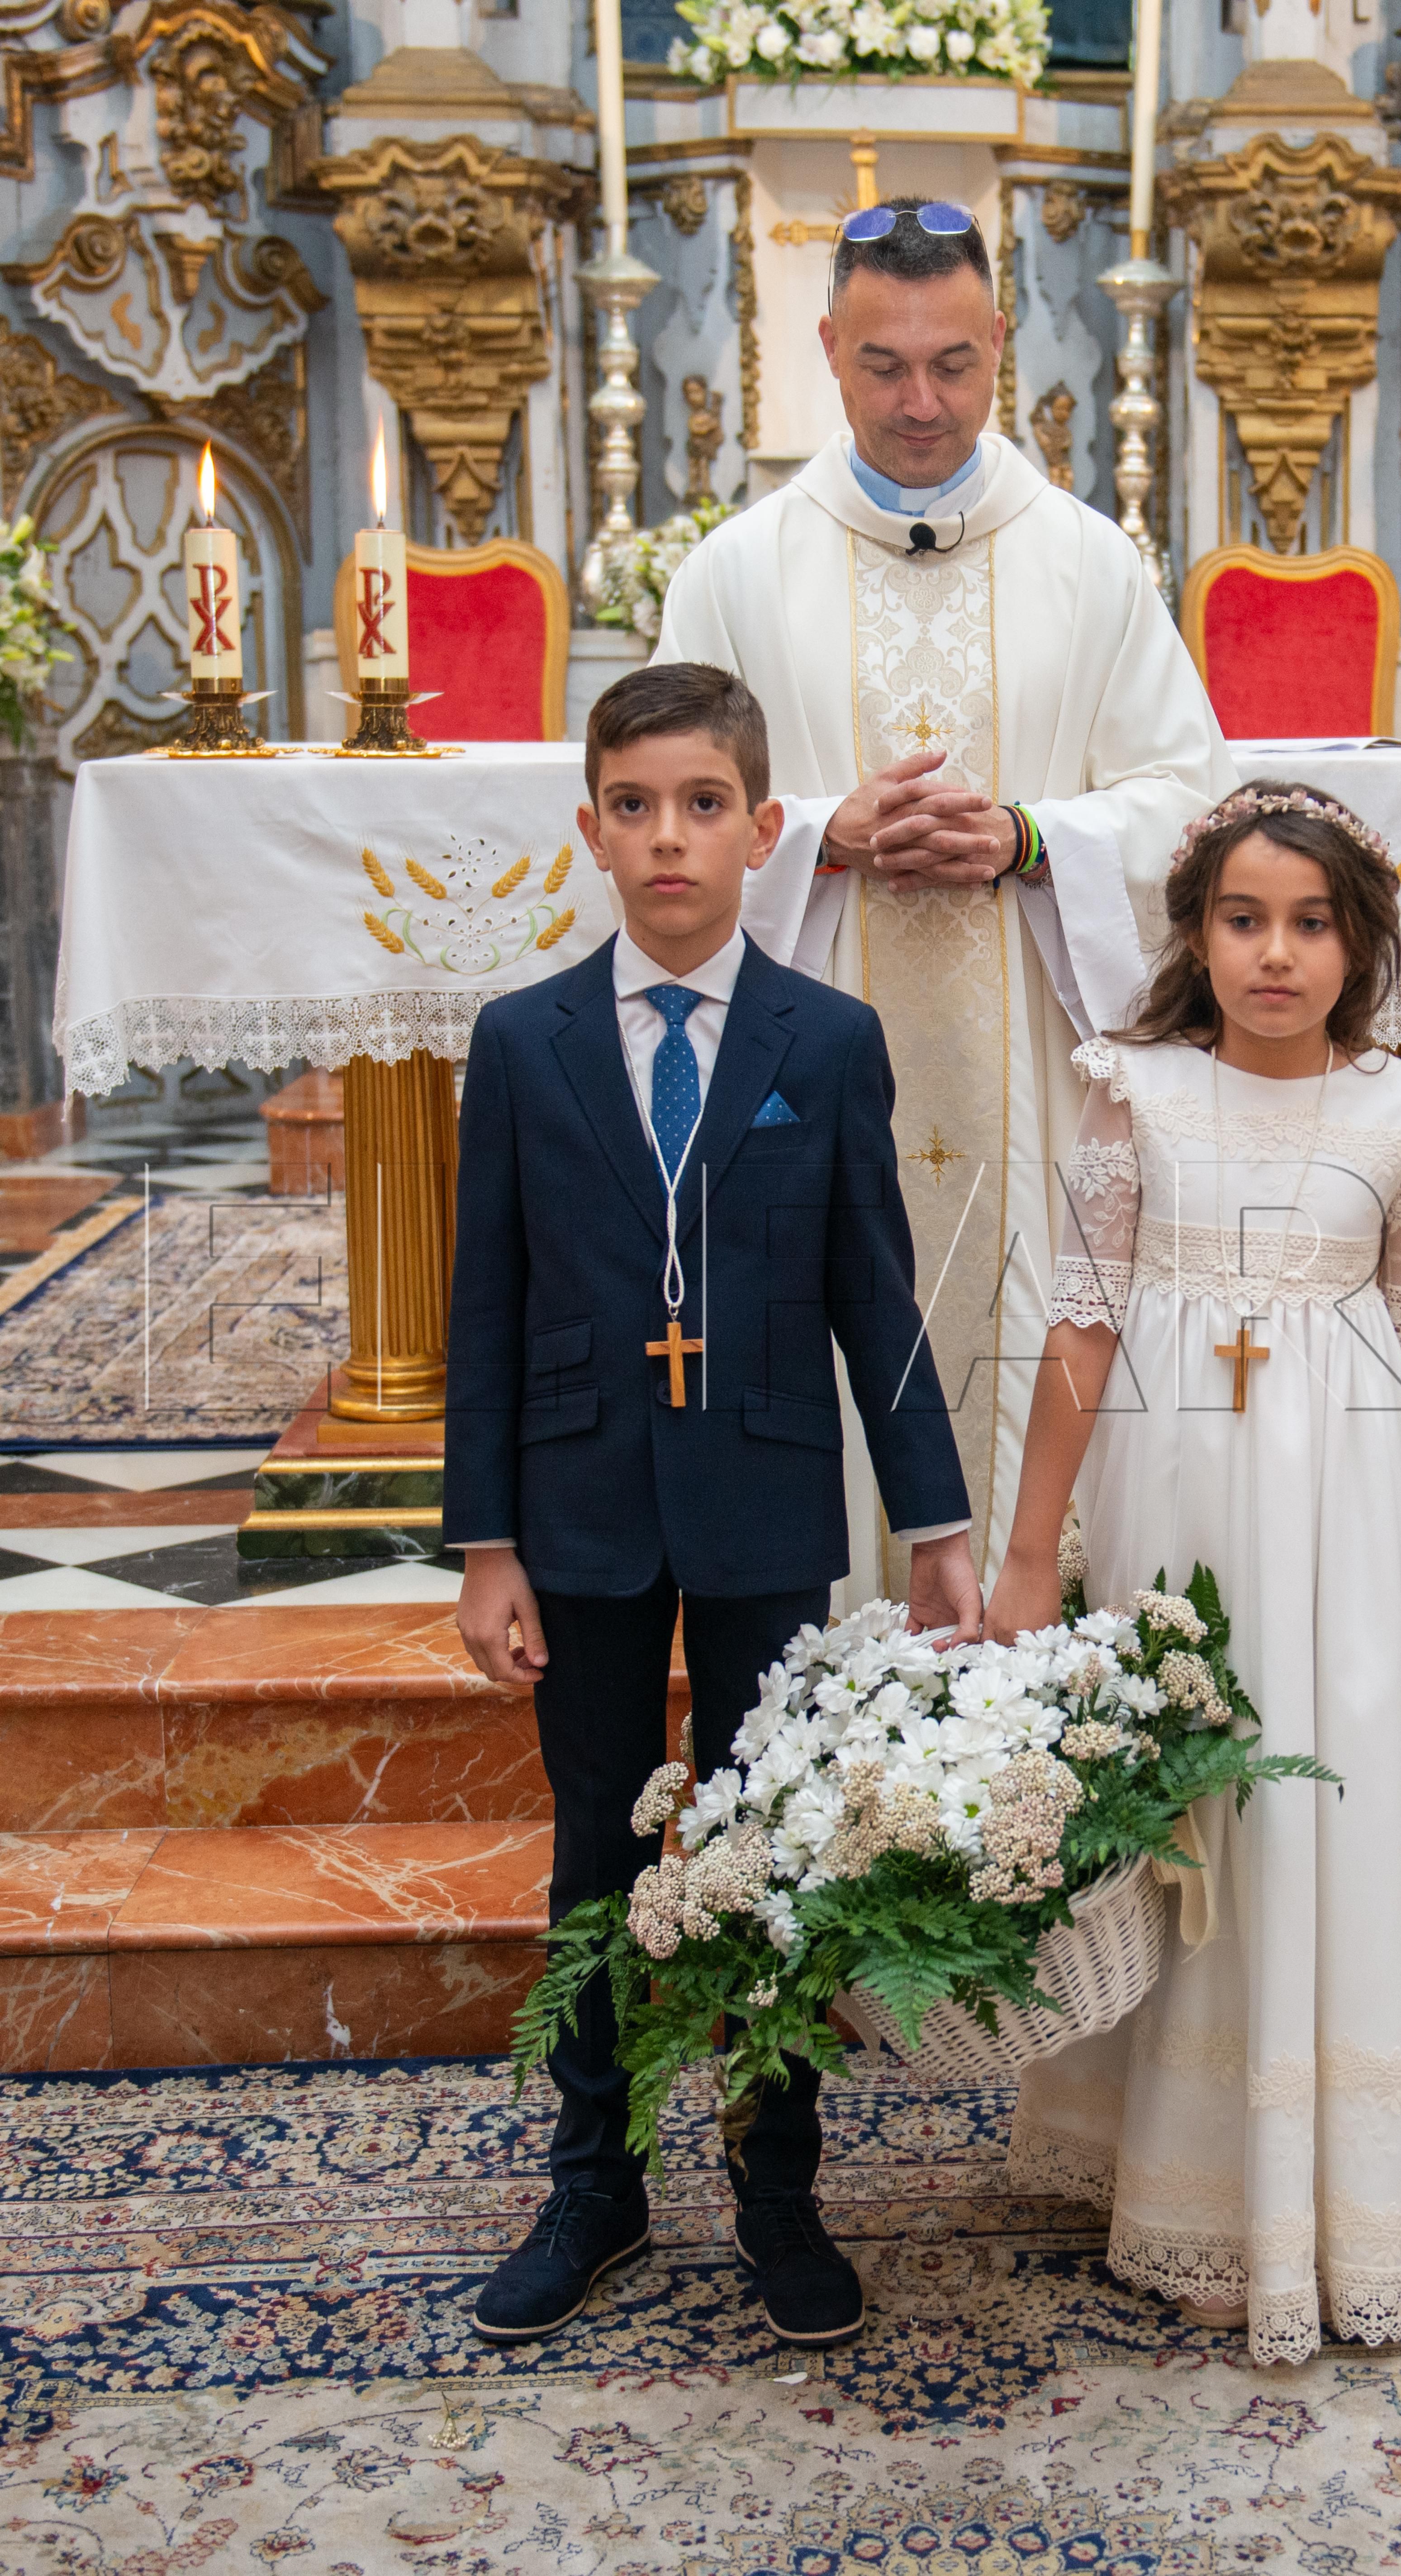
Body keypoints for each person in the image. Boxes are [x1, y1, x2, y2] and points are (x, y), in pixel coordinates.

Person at [444, 662, 980, 2349]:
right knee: (598, 1846)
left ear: (765, 830)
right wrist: (486, 1544)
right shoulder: (522, 1042)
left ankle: (777, 2184)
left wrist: (940, 1522)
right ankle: (593, 2182)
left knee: (772, 1851)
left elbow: (877, 1298)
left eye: (701, 805)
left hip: (764, 1501)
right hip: (578, 1504)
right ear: (590, 828)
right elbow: (485, 1304)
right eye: (634, 806)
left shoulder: (827, 1040)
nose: (667, 837)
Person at [983, 782, 1401, 2366]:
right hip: (1177, 1510)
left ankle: (1352, 2182)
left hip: (1353, 1522)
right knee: (1190, 1809)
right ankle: (1187, 2171)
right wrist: (1030, 1552)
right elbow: (1082, 1326)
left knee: (1323, 1805)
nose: (1275, 952)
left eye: (1310, 923)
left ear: (1361, 945)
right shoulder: (1137, 1090)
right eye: (1243, 919)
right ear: (1196, 935)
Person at [654, 195, 1239, 1600]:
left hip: (1036, 1075)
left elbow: (1195, 802)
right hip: (801, 1064)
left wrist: (1033, 838)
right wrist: (818, 835)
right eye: (883, 365)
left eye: (953, 364)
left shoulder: (1089, 563)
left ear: (1001, 343)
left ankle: (1038, 1648)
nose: (921, 402)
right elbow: (658, 803)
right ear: (826, 350)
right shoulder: (736, 572)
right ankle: (826, 1665)